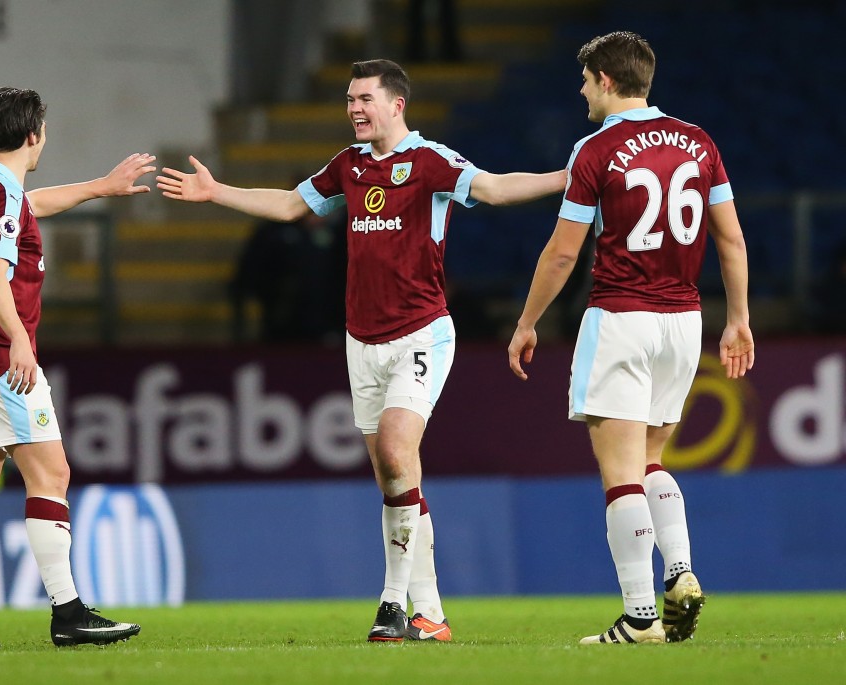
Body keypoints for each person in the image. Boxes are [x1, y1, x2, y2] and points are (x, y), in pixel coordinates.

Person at [158, 59, 565, 642]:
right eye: (349, 99)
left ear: (397, 104)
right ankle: (431, 614)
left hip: (420, 333)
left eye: (365, 98)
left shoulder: (430, 162)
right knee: (395, 480)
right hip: (361, 341)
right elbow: (292, 205)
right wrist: (216, 191)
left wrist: (565, 178)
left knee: (399, 454)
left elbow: (496, 189)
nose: (354, 108)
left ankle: (392, 603)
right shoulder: (347, 167)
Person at [505, 32, 754, 645]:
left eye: (587, 80)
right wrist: (739, 318)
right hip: (684, 321)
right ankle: (682, 570)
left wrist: (527, 321)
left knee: (620, 476)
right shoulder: (700, 143)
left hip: (620, 317)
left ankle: (641, 616)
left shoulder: (598, 148)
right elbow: (732, 240)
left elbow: (564, 253)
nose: (583, 90)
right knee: (650, 462)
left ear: (607, 80)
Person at [0, 87, 156, 649]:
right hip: (0, 356)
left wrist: (101, 186)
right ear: (33, 135)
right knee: (52, 475)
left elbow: (33, 204)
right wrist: (21, 341)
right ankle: (68, 613)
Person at [229, 206, 346, 344]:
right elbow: (253, 270)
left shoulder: (338, 234)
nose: (318, 217)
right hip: (284, 319)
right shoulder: (274, 233)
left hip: (326, 320)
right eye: (312, 211)